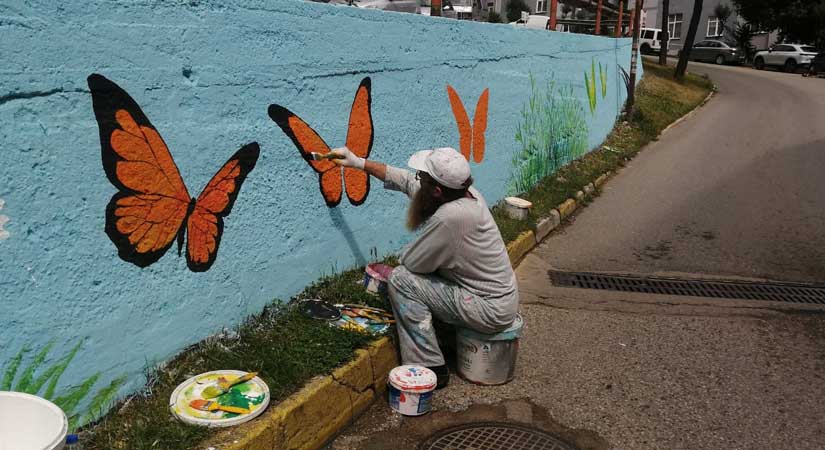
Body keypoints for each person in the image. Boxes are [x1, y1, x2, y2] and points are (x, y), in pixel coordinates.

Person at [330, 146, 519, 389]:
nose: (417, 180)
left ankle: (429, 366)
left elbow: (412, 264)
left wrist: (394, 266)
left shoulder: (451, 218)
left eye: (423, 178)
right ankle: (446, 338)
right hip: (499, 300)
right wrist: (358, 162)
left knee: (401, 279)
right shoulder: (467, 193)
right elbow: (406, 180)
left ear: (437, 191)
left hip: (488, 310)